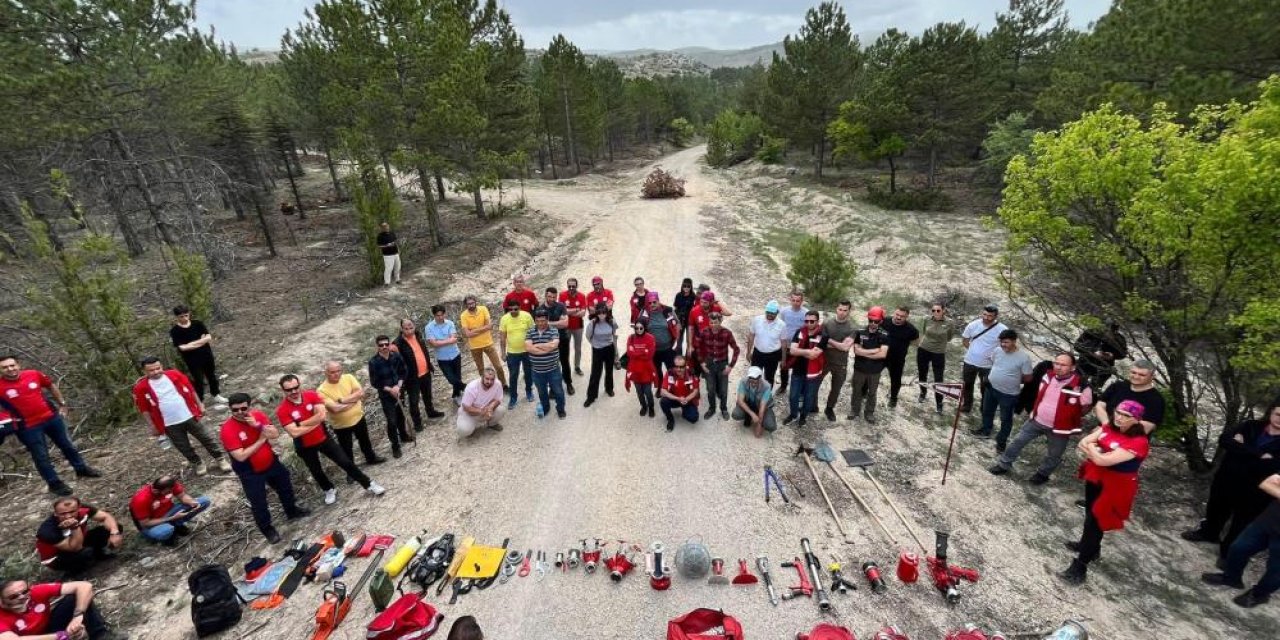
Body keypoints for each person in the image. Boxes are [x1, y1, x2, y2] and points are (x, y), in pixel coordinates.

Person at [1059, 400, 1150, 585]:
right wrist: (1098, 451)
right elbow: (1083, 442)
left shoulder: (1139, 442)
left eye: (1126, 416)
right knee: (1090, 515)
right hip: (1097, 478)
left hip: (1116, 485)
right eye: (1118, 412)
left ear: (1137, 419)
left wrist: (1095, 449)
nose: (1119, 417)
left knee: (1096, 520)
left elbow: (1100, 459)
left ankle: (1080, 566)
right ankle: (1091, 547)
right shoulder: (1109, 426)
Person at [1182, 401, 1280, 561]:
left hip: (1256, 490)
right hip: (1227, 477)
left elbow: (1273, 465)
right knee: (1216, 508)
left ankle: (1228, 554)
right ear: (1271, 412)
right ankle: (1209, 533)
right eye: (1278, 414)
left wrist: (1241, 447)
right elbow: (1225, 440)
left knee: (1241, 523)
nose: (1279, 419)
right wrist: (1258, 455)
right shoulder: (1251, 426)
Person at [275, 375, 386, 506]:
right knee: (316, 471)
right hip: (304, 445)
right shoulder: (282, 410)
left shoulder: (311, 395)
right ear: (283, 390)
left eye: (296, 387)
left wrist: (299, 424)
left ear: (300, 385)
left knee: (345, 462)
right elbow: (293, 433)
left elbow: (322, 416)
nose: (293, 392)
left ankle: (368, 484)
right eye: (289, 390)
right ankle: (328, 489)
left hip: (322, 437)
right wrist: (311, 422)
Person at [0, 356, 100, 496]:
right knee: (41, 456)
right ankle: (54, 483)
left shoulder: (33, 374)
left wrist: (62, 404)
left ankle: (81, 469)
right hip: (27, 427)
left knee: (67, 445)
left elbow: (50, 385)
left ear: (18, 364)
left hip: (51, 417)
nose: (10, 369)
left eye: (12, 365)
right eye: (5, 367)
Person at [989, 353, 1094, 484]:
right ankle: (1004, 464)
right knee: (1017, 441)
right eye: (1057, 363)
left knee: (1054, 455)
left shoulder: (1081, 385)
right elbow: (1039, 395)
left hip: (1060, 429)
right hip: (1036, 420)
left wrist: (1070, 416)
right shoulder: (1047, 376)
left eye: (1063, 365)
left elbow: (1086, 405)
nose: (1058, 367)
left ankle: (1042, 474)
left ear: (1073, 367)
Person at [221, 393, 310, 543]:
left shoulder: (258, 416)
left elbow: (274, 434)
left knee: (285, 486)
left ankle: (292, 511)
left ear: (249, 406)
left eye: (243, 408)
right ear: (230, 409)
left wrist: (257, 426)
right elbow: (241, 456)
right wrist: (261, 440)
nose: (240, 412)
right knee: (258, 502)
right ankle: (267, 528)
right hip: (249, 471)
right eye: (235, 410)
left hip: (270, 462)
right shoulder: (228, 429)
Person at [132, 356, 230, 475]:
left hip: (188, 415)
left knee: (206, 438)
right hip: (168, 423)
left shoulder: (174, 374)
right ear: (144, 371)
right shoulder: (140, 387)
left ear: (161, 366)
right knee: (183, 446)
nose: (156, 372)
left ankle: (220, 458)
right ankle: (197, 462)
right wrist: (152, 426)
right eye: (151, 370)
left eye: (158, 368)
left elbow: (191, 389)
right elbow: (144, 409)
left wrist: (200, 405)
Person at [1201, 473, 1280, 609]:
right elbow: (1266, 483)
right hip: (1269, 521)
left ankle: (1259, 594)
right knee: (1239, 547)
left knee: (1276, 569)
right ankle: (1231, 578)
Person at [0, 579, 123, 640]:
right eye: (13, 596)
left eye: (25, 591)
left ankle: (101, 636)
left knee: (76, 598)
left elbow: (84, 586)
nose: (22, 597)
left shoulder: (35, 592)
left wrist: (77, 617)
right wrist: (61, 636)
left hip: (48, 627)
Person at [317, 361, 386, 467]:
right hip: (341, 425)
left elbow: (360, 393)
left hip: (358, 417)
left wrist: (341, 401)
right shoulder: (321, 390)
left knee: (365, 441)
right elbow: (335, 409)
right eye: (332, 372)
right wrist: (354, 401)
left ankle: (371, 458)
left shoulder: (348, 377)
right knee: (346, 448)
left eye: (338, 371)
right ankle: (351, 470)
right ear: (325, 373)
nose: (336, 374)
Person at [973, 329, 1033, 446]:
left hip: (1008, 394)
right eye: (1001, 342)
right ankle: (986, 430)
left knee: (1005, 419)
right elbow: (995, 363)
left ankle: (1001, 441)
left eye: (1006, 342)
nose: (1003, 345)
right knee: (987, 411)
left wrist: (1013, 379)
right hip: (991, 387)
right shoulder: (997, 350)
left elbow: (1028, 378)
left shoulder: (1024, 357)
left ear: (1014, 341)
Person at [34, 498, 122, 576]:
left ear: (79, 508)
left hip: (76, 539)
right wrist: (74, 527)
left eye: (72, 512)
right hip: (56, 556)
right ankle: (74, 571)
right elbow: (76, 547)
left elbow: (105, 517)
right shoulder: (48, 531)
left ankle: (98, 555)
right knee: (85, 552)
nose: (68, 516)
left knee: (114, 528)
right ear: (56, 513)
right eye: (63, 514)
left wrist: (114, 533)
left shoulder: (84, 509)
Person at [394, 318, 445, 431]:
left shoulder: (418, 335)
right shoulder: (397, 343)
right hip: (412, 378)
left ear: (414, 326)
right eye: (406, 328)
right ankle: (417, 423)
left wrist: (429, 365)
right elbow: (397, 363)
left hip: (425, 372)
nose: (409, 330)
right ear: (401, 329)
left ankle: (430, 412)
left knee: (427, 395)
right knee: (414, 401)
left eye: (410, 326)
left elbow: (424, 351)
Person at [128, 475, 211, 545]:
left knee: (204, 501)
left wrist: (191, 502)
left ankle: (175, 525)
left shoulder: (169, 485)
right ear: (156, 490)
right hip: (151, 524)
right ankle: (167, 535)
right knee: (166, 531)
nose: (170, 493)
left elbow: (182, 496)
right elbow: (145, 523)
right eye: (167, 492)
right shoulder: (141, 499)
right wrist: (172, 518)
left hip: (170, 512)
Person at [367, 336, 414, 459]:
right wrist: (390, 389)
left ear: (389, 344)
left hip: (399, 391)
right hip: (386, 396)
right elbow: (374, 382)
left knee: (401, 416)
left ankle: (404, 436)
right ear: (377, 347)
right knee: (391, 421)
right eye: (381, 345)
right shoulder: (373, 362)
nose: (384, 347)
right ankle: (395, 446)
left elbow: (404, 371)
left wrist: (398, 386)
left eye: (386, 344)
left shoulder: (396, 356)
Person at [168, 306, 226, 404]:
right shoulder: (175, 331)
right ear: (177, 317)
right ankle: (200, 400)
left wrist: (191, 344)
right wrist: (200, 342)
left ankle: (216, 394)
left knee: (211, 375)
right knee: (198, 380)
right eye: (181, 316)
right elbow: (182, 347)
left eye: (186, 315)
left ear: (189, 313)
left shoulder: (197, 324)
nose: (185, 318)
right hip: (191, 359)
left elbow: (208, 337)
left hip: (206, 355)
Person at [1094, 360, 1164, 436]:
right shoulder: (1117, 386)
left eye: (1142, 375)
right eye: (1133, 372)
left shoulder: (1156, 400)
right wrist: (1106, 424)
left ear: (1152, 377)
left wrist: (1111, 431)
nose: (1136, 377)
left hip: (1130, 439)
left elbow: (1147, 426)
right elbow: (1100, 405)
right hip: (1104, 430)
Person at [960, 305, 1007, 413]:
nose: (986, 317)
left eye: (990, 316)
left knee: (985, 388)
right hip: (970, 361)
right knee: (967, 384)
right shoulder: (973, 325)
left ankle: (984, 408)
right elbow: (965, 339)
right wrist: (973, 351)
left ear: (996, 316)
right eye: (984, 314)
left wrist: (995, 357)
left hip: (988, 365)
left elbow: (1005, 346)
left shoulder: (1002, 329)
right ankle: (967, 405)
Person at [784, 310, 827, 428]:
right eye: (806, 321)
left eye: (812, 321)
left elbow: (814, 355)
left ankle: (803, 416)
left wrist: (800, 352)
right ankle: (793, 415)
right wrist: (808, 352)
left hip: (813, 373)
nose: (808, 323)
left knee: (809, 398)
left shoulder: (823, 335)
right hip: (798, 371)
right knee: (793, 395)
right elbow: (792, 351)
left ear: (817, 321)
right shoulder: (800, 332)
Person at [847, 307, 889, 425]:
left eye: (876, 321)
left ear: (881, 321)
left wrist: (865, 352)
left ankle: (869, 412)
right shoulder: (860, 332)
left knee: (872, 392)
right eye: (870, 320)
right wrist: (874, 351)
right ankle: (854, 410)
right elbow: (856, 351)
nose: (872, 323)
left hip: (875, 370)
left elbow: (883, 354)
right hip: (860, 368)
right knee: (856, 390)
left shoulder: (884, 335)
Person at [696, 312, 739, 421]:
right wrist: (702, 363)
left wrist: (730, 366)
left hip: (722, 363)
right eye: (711, 322)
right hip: (709, 363)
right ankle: (712, 409)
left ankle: (723, 409)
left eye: (716, 322)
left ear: (721, 321)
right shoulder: (704, 332)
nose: (713, 325)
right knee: (710, 389)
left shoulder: (727, 333)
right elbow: (698, 348)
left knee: (723, 390)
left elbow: (736, 349)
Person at [525, 309, 565, 419]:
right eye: (538, 321)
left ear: (547, 320)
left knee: (558, 392)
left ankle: (561, 409)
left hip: (553, 370)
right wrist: (546, 347)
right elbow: (528, 347)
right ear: (535, 320)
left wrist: (536, 346)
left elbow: (554, 345)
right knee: (542, 393)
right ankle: (546, 408)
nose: (540, 323)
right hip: (537, 371)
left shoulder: (553, 330)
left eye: (543, 320)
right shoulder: (530, 331)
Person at [820, 301, 856, 422]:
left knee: (836, 388)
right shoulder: (826, 323)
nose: (842, 312)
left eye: (845, 310)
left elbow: (845, 347)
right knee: (815, 383)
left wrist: (828, 340)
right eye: (840, 309)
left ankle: (829, 408)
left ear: (849, 311)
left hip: (840, 363)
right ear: (836, 309)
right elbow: (821, 343)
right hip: (824, 360)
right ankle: (812, 405)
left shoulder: (852, 328)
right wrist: (838, 344)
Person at [459, 296, 506, 388]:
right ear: (466, 305)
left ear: (476, 302)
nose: (471, 305)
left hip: (488, 343)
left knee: (498, 366)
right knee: (481, 369)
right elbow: (468, 334)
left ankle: (503, 385)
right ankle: (486, 386)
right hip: (474, 347)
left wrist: (474, 330)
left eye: (472, 303)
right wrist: (483, 328)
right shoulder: (463, 315)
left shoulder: (483, 309)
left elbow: (490, 326)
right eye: (469, 304)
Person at [916, 302, 955, 414]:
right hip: (924, 349)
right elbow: (923, 332)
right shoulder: (926, 319)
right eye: (933, 310)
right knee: (922, 372)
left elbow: (949, 337)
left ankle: (939, 402)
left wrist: (939, 343)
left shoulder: (950, 323)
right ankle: (922, 393)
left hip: (938, 352)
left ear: (944, 311)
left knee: (938, 378)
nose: (935, 313)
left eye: (938, 310)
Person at [536, 287, 575, 396]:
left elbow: (565, 324)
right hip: (548, 340)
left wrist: (549, 323)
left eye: (554, 297)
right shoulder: (540, 309)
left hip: (562, 338)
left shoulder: (561, 306)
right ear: (545, 296)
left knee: (564, 362)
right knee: (552, 364)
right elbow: (540, 325)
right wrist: (557, 322)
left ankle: (568, 383)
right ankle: (553, 387)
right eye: (549, 296)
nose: (552, 299)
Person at [425, 306, 467, 403]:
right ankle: (467, 388)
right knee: (451, 379)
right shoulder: (429, 327)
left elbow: (454, 338)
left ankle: (456, 396)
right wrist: (449, 340)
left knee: (457, 377)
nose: (440, 317)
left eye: (441, 315)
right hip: (442, 358)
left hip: (455, 354)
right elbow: (433, 344)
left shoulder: (450, 323)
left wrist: (440, 342)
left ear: (445, 314)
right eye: (437, 315)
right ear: (434, 315)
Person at [498, 302, 535, 408]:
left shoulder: (527, 316)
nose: (513, 311)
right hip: (512, 353)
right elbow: (502, 338)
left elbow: (533, 332)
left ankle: (529, 391)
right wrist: (503, 353)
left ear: (520, 308)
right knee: (513, 375)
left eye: (515, 309)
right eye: (511, 309)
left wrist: (534, 348)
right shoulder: (504, 319)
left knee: (528, 373)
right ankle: (513, 397)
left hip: (527, 351)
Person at [882, 306, 921, 408]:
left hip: (897, 359)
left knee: (896, 380)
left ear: (907, 317)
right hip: (881, 355)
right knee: (871, 373)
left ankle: (893, 399)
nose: (899, 317)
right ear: (894, 313)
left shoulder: (911, 330)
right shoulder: (884, 321)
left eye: (902, 316)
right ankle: (864, 392)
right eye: (897, 314)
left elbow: (916, 342)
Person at [639, 292, 680, 381]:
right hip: (653, 350)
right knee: (657, 371)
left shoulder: (668, 310)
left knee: (672, 370)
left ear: (658, 301)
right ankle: (660, 388)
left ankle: (672, 388)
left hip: (668, 348)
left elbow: (677, 324)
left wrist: (677, 340)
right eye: (649, 303)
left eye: (654, 302)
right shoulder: (644, 312)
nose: (652, 305)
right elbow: (639, 327)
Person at [1073, 322, 1128, 389]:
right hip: (1084, 363)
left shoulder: (1120, 338)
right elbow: (1077, 346)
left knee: (1094, 390)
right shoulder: (1091, 332)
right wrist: (1093, 352)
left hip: (1104, 368)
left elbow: (1123, 354)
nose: (1110, 331)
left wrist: (1112, 355)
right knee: (1075, 385)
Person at [583, 304, 618, 407]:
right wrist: (595, 344)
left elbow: (613, 333)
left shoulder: (612, 321)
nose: (601, 315)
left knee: (609, 370)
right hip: (597, 350)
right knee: (595, 374)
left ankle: (609, 388)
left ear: (607, 312)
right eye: (599, 312)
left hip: (609, 349)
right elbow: (588, 336)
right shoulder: (592, 324)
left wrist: (609, 344)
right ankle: (591, 396)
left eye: (603, 312)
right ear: (596, 313)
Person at [746, 301, 787, 386]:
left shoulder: (782, 325)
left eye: (772, 313)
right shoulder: (757, 320)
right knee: (754, 375)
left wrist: (783, 359)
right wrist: (748, 352)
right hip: (758, 353)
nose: (770, 315)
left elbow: (784, 343)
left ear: (777, 313)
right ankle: (754, 396)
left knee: (769, 377)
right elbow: (751, 336)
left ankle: (766, 396)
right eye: (768, 312)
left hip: (773, 355)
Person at [456, 368, 506, 438]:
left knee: (501, 410)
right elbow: (466, 407)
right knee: (463, 430)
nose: (489, 382)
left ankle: (492, 424)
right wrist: (481, 411)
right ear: (482, 377)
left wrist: (491, 407)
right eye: (487, 379)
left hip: (486, 410)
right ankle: (470, 427)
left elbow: (498, 399)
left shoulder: (497, 384)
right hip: (470, 413)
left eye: (492, 379)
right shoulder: (472, 387)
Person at [777, 291, 809, 395]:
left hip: (799, 346)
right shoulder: (784, 311)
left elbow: (808, 329)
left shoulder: (806, 313)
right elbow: (779, 326)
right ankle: (783, 386)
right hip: (785, 345)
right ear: (790, 300)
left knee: (798, 368)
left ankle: (797, 389)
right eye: (793, 300)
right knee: (783, 366)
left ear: (802, 301)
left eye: (798, 301)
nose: (795, 303)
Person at [624, 321, 658, 418]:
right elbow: (630, 354)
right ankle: (643, 406)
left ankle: (651, 407)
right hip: (635, 369)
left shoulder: (650, 338)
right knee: (639, 392)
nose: (638, 330)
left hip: (647, 370)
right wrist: (643, 352)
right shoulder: (631, 338)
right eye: (636, 328)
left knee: (647, 391)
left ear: (645, 328)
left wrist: (636, 353)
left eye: (641, 328)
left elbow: (650, 355)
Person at [659, 356, 700, 431]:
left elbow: (695, 391)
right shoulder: (669, 373)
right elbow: (662, 391)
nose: (679, 369)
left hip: (687, 400)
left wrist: (686, 399)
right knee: (663, 401)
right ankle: (670, 419)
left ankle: (685, 411)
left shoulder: (691, 373)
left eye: (681, 367)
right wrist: (677, 398)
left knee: (694, 419)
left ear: (685, 366)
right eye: (676, 366)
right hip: (675, 399)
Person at [734, 366, 777, 438]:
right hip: (749, 403)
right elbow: (740, 401)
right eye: (751, 381)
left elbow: (762, 407)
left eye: (755, 382)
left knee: (770, 426)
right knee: (736, 414)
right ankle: (749, 416)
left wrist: (759, 425)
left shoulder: (767, 387)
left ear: (760, 378)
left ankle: (759, 420)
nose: (753, 384)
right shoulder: (743, 381)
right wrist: (752, 414)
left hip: (763, 407)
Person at [686, 291, 731, 356]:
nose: (702, 304)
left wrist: (718, 302)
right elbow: (690, 328)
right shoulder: (694, 311)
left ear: (711, 302)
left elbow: (728, 313)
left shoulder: (716, 308)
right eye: (701, 301)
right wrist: (690, 345)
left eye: (705, 303)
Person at [559, 278, 588, 375]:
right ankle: (565, 368)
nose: (571, 288)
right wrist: (576, 309)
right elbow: (562, 311)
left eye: (573, 286)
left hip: (578, 326)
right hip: (566, 326)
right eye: (569, 286)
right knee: (565, 349)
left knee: (578, 348)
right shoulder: (562, 295)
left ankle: (577, 366)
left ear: (577, 286)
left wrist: (569, 312)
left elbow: (583, 313)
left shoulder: (582, 296)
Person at [672, 278, 698, 354]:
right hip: (680, 320)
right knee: (679, 340)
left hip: (690, 321)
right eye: (684, 286)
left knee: (689, 341)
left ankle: (688, 360)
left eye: (688, 286)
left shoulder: (693, 296)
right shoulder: (678, 295)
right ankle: (679, 359)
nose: (686, 288)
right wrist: (676, 320)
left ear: (691, 287)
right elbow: (675, 307)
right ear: (682, 286)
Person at [376, 222, 402, 286]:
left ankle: (397, 279)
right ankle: (387, 282)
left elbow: (395, 242)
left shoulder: (392, 233)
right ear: (382, 228)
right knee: (388, 268)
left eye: (387, 226)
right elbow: (379, 246)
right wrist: (387, 245)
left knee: (398, 266)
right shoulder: (380, 236)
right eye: (384, 227)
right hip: (387, 255)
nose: (386, 227)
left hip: (395, 253)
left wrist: (398, 249)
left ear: (388, 226)